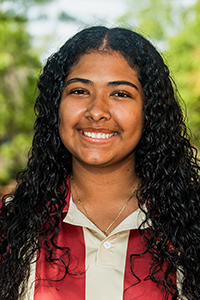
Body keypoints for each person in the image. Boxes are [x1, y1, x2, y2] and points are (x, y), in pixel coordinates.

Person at [0, 26, 199, 300]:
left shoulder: (192, 226)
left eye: (120, 94)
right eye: (80, 91)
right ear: (56, 106)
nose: (96, 111)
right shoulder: (9, 225)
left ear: (149, 111)